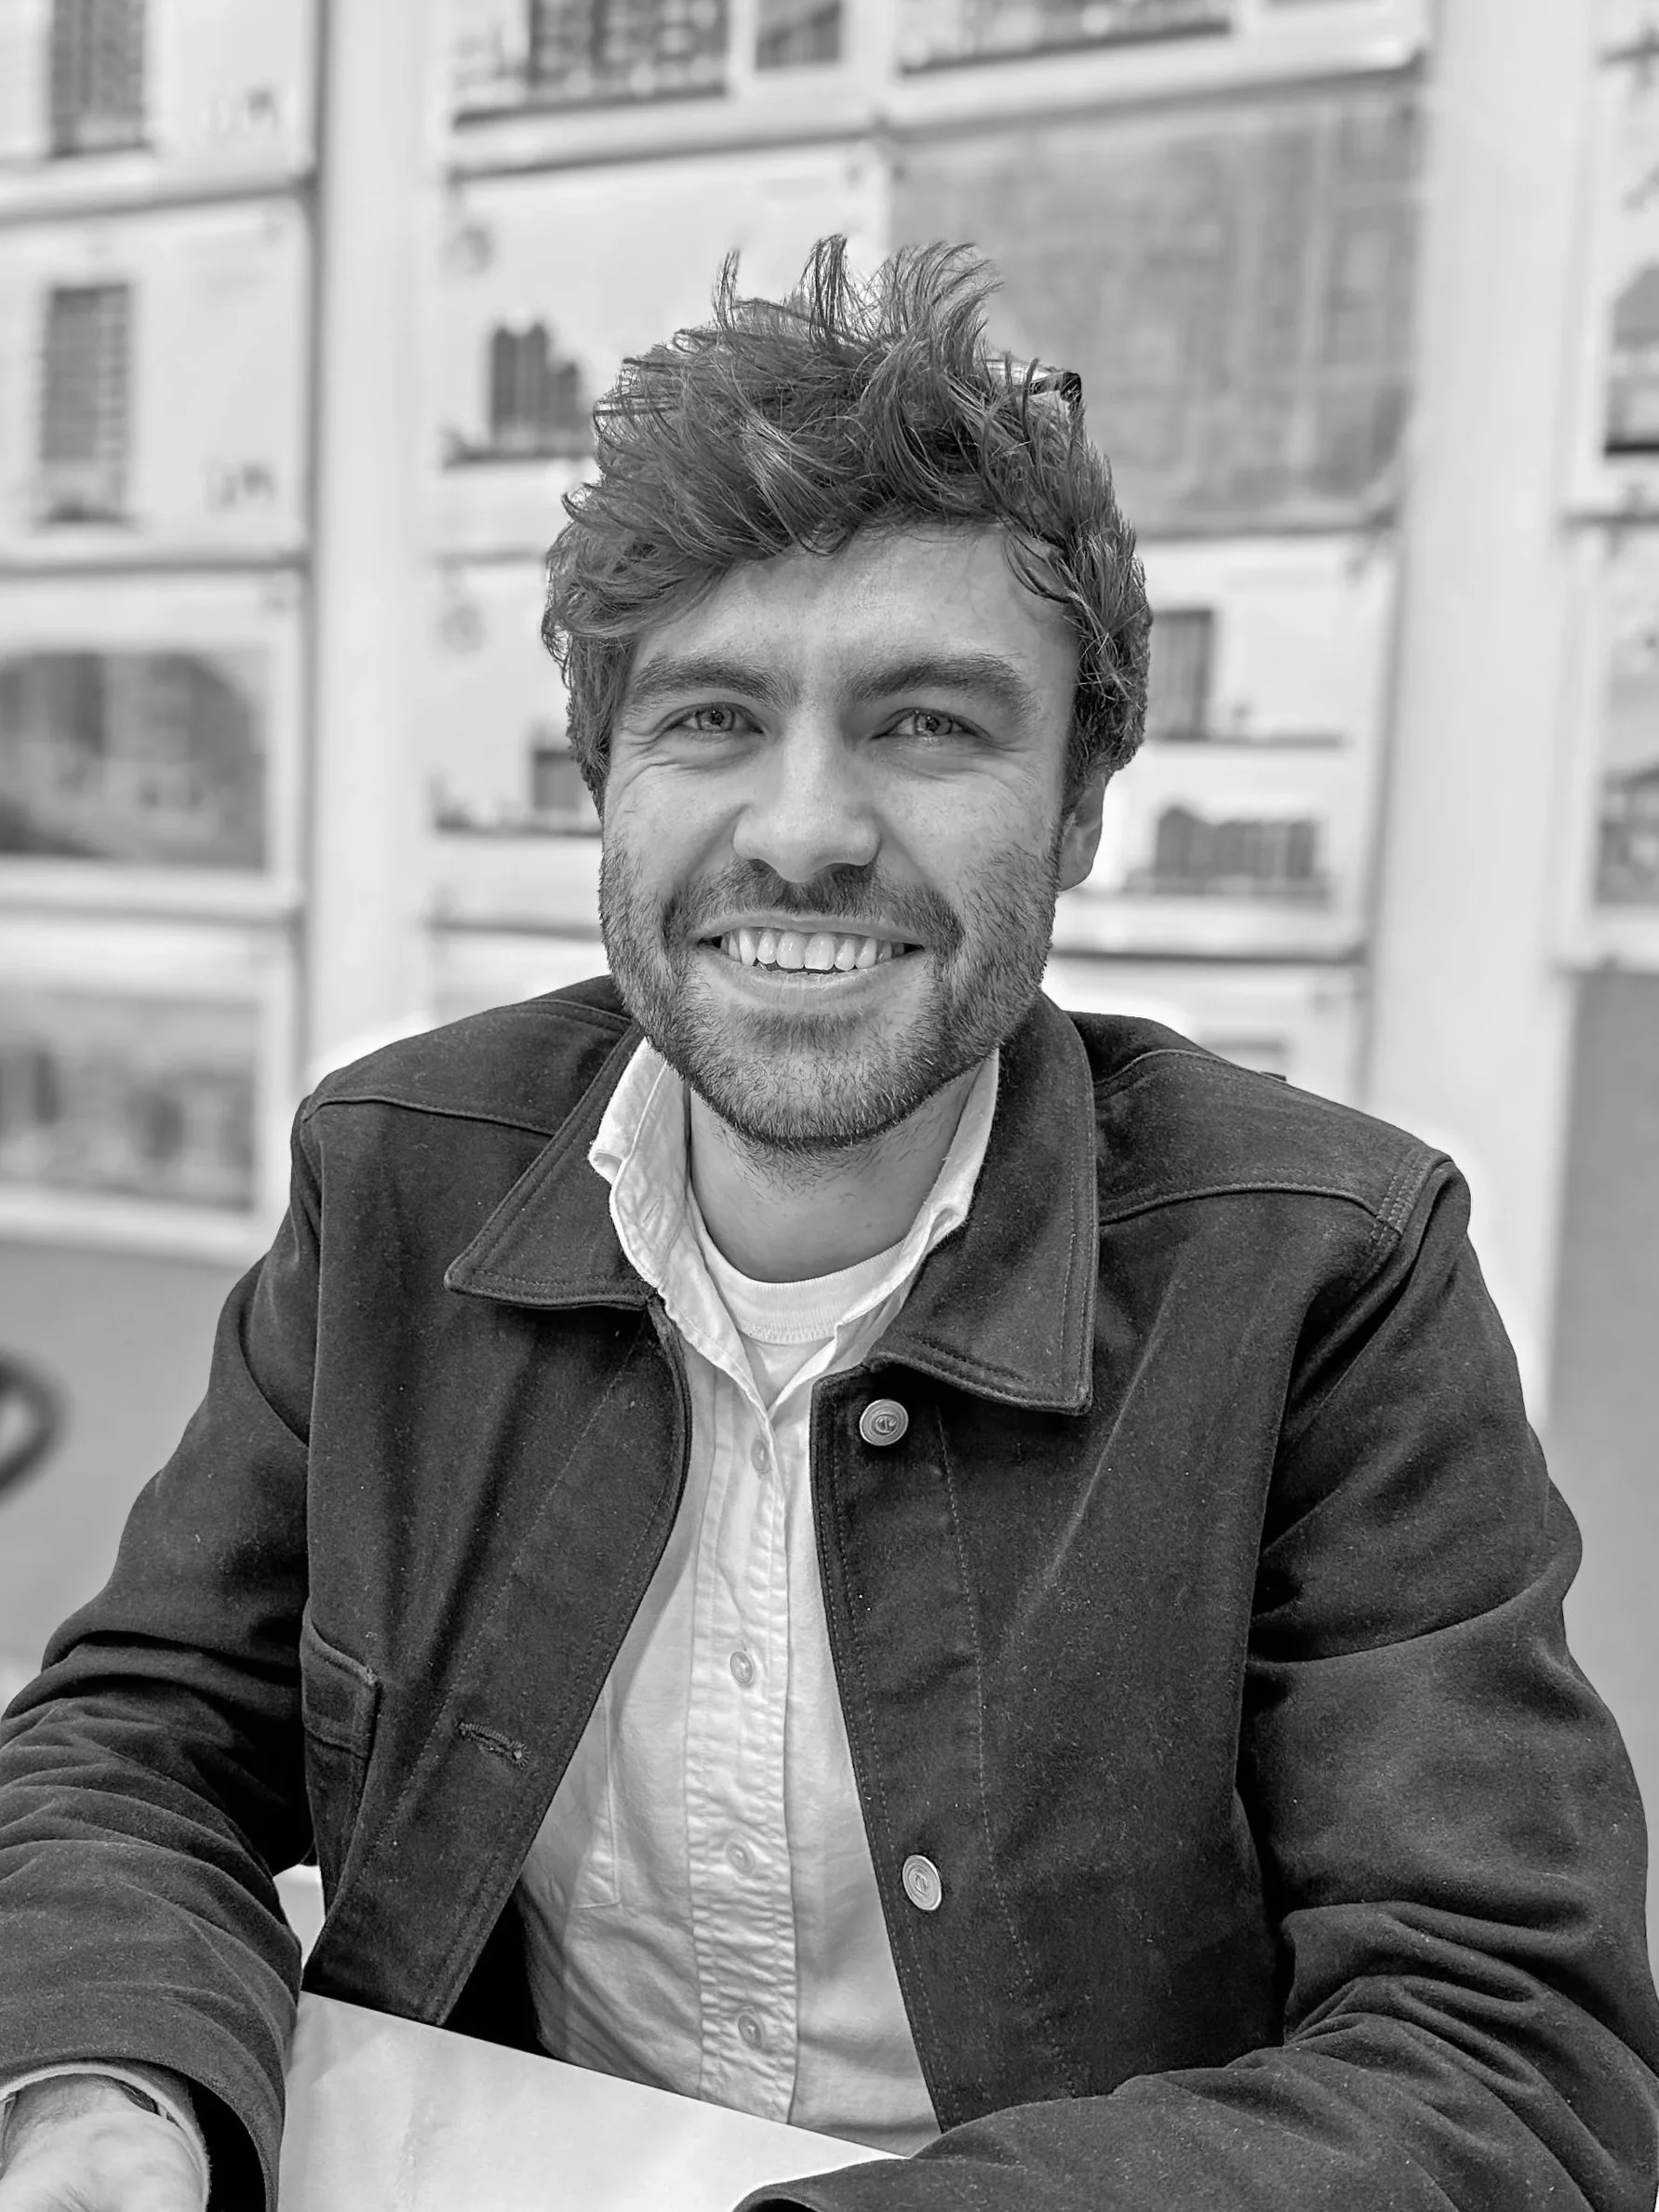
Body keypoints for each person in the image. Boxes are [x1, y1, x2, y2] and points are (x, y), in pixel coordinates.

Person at [1, 236, 1655, 2212]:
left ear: (1079, 809)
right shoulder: (394, 1182)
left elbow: (1506, 2055)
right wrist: (109, 2099)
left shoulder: (1326, 1276)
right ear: (603, 780)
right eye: (710, 719)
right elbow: (139, 1738)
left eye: (927, 724)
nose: (801, 829)